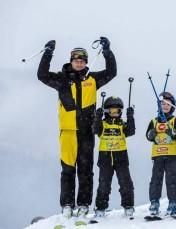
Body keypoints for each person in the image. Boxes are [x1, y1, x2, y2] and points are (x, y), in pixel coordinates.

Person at [37, 37, 117, 217]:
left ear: (86, 62)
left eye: (82, 61)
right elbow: (42, 75)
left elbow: (112, 72)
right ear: (71, 61)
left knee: (86, 170)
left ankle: (83, 204)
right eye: (76, 60)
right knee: (67, 169)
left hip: (86, 132)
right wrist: (48, 53)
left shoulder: (93, 79)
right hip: (67, 132)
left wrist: (107, 51)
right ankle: (67, 204)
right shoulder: (61, 80)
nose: (79, 63)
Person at [92, 96, 135, 218]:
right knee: (104, 184)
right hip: (105, 159)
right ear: (107, 111)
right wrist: (98, 117)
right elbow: (95, 130)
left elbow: (131, 131)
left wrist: (130, 117)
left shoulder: (122, 124)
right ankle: (100, 208)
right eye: (111, 111)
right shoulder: (103, 124)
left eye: (117, 111)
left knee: (125, 183)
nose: (114, 113)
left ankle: (128, 206)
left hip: (121, 158)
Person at [145, 92, 176, 216]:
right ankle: (154, 202)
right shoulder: (154, 121)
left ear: (172, 106)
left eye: (168, 104)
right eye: (162, 104)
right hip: (158, 155)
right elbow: (148, 136)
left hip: (172, 155)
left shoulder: (175, 120)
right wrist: (151, 134)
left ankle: (173, 203)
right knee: (156, 179)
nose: (165, 106)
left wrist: (174, 132)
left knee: (171, 179)